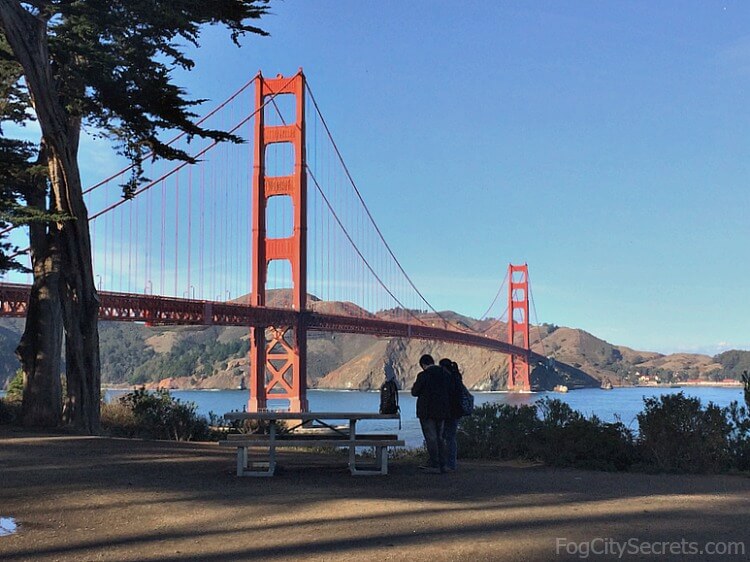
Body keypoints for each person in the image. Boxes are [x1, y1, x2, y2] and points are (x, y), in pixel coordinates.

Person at [411, 353, 452, 473]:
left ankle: (434, 464)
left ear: (423, 365)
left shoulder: (423, 375)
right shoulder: (445, 374)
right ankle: (442, 464)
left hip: (427, 411)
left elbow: (415, 392)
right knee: (440, 437)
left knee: (431, 438)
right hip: (442, 411)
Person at [439, 358, 463, 471]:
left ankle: (449, 464)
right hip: (456, 412)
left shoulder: (448, 380)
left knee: (447, 437)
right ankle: (450, 463)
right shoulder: (457, 377)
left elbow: (448, 397)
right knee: (449, 437)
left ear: (443, 368)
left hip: (450, 412)